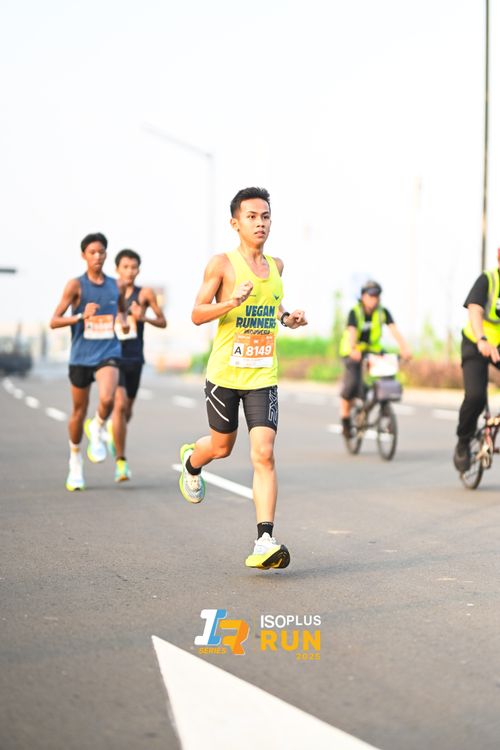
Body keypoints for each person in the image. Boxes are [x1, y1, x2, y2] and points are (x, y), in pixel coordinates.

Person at [178, 187, 307, 570]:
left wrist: (288, 319)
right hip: (225, 374)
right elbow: (197, 313)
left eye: (265, 216)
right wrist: (232, 301)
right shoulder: (222, 265)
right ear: (235, 223)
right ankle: (192, 462)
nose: (260, 223)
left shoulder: (277, 266)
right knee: (221, 447)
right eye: (251, 217)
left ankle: (264, 540)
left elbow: (272, 306)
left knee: (264, 453)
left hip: (262, 374)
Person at [50, 232, 127, 491]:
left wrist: (124, 321)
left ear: (106, 254)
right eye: (92, 252)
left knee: (108, 398)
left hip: (108, 351)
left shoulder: (116, 285)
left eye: (101, 252)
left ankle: (98, 426)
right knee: (78, 411)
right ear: (83, 255)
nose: (97, 256)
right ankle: (75, 459)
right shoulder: (76, 285)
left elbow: (122, 310)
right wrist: (81, 315)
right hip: (81, 356)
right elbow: (54, 321)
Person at [109, 249, 167, 482]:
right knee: (119, 404)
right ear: (117, 269)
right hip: (112, 357)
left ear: (138, 270)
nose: (130, 271)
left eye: (134, 267)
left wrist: (143, 317)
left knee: (127, 410)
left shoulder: (145, 294)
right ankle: (121, 462)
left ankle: (115, 434)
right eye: (125, 267)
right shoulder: (109, 292)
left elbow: (162, 321)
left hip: (135, 357)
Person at [338, 280, 411, 436]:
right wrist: (353, 349)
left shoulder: (383, 312)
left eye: (377, 296)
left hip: (373, 350)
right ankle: (345, 420)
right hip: (352, 352)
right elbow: (352, 331)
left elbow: (394, 330)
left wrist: (404, 348)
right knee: (351, 385)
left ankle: (385, 413)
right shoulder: (355, 312)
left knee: (388, 374)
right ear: (363, 297)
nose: (374, 299)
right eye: (371, 296)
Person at [454, 250, 500, 472]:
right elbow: (475, 310)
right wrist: (482, 339)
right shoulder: (487, 280)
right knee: (476, 397)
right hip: (476, 343)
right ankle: (463, 442)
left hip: (498, 347)